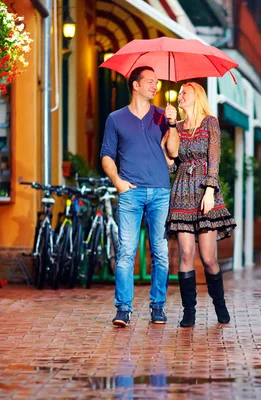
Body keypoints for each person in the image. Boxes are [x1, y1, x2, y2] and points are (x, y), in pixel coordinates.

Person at [100, 66, 179, 327]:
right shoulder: (115, 118)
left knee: (160, 251)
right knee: (126, 252)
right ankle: (123, 309)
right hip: (130, 193)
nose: (155, 86)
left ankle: (158, 306)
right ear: (135, 85)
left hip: (159, 191)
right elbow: (107, 155)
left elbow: (173, 152)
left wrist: (172, 124)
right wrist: (118, 182)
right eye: (150, 81)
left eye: (157, 82)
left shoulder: (161, 116)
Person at [162, 82, 237, 327]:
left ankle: (220, 304)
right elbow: (172, 163)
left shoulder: (210, 122)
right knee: (185, 253)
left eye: (186, 91)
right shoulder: (177, 126)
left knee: (208, 258)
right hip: (182, 190)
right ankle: (189, 312)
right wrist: (170, 127)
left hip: (206, 191)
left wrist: (209, 189)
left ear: (198, 95)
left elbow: (214, 159)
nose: (180, 95)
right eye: (179, 92)